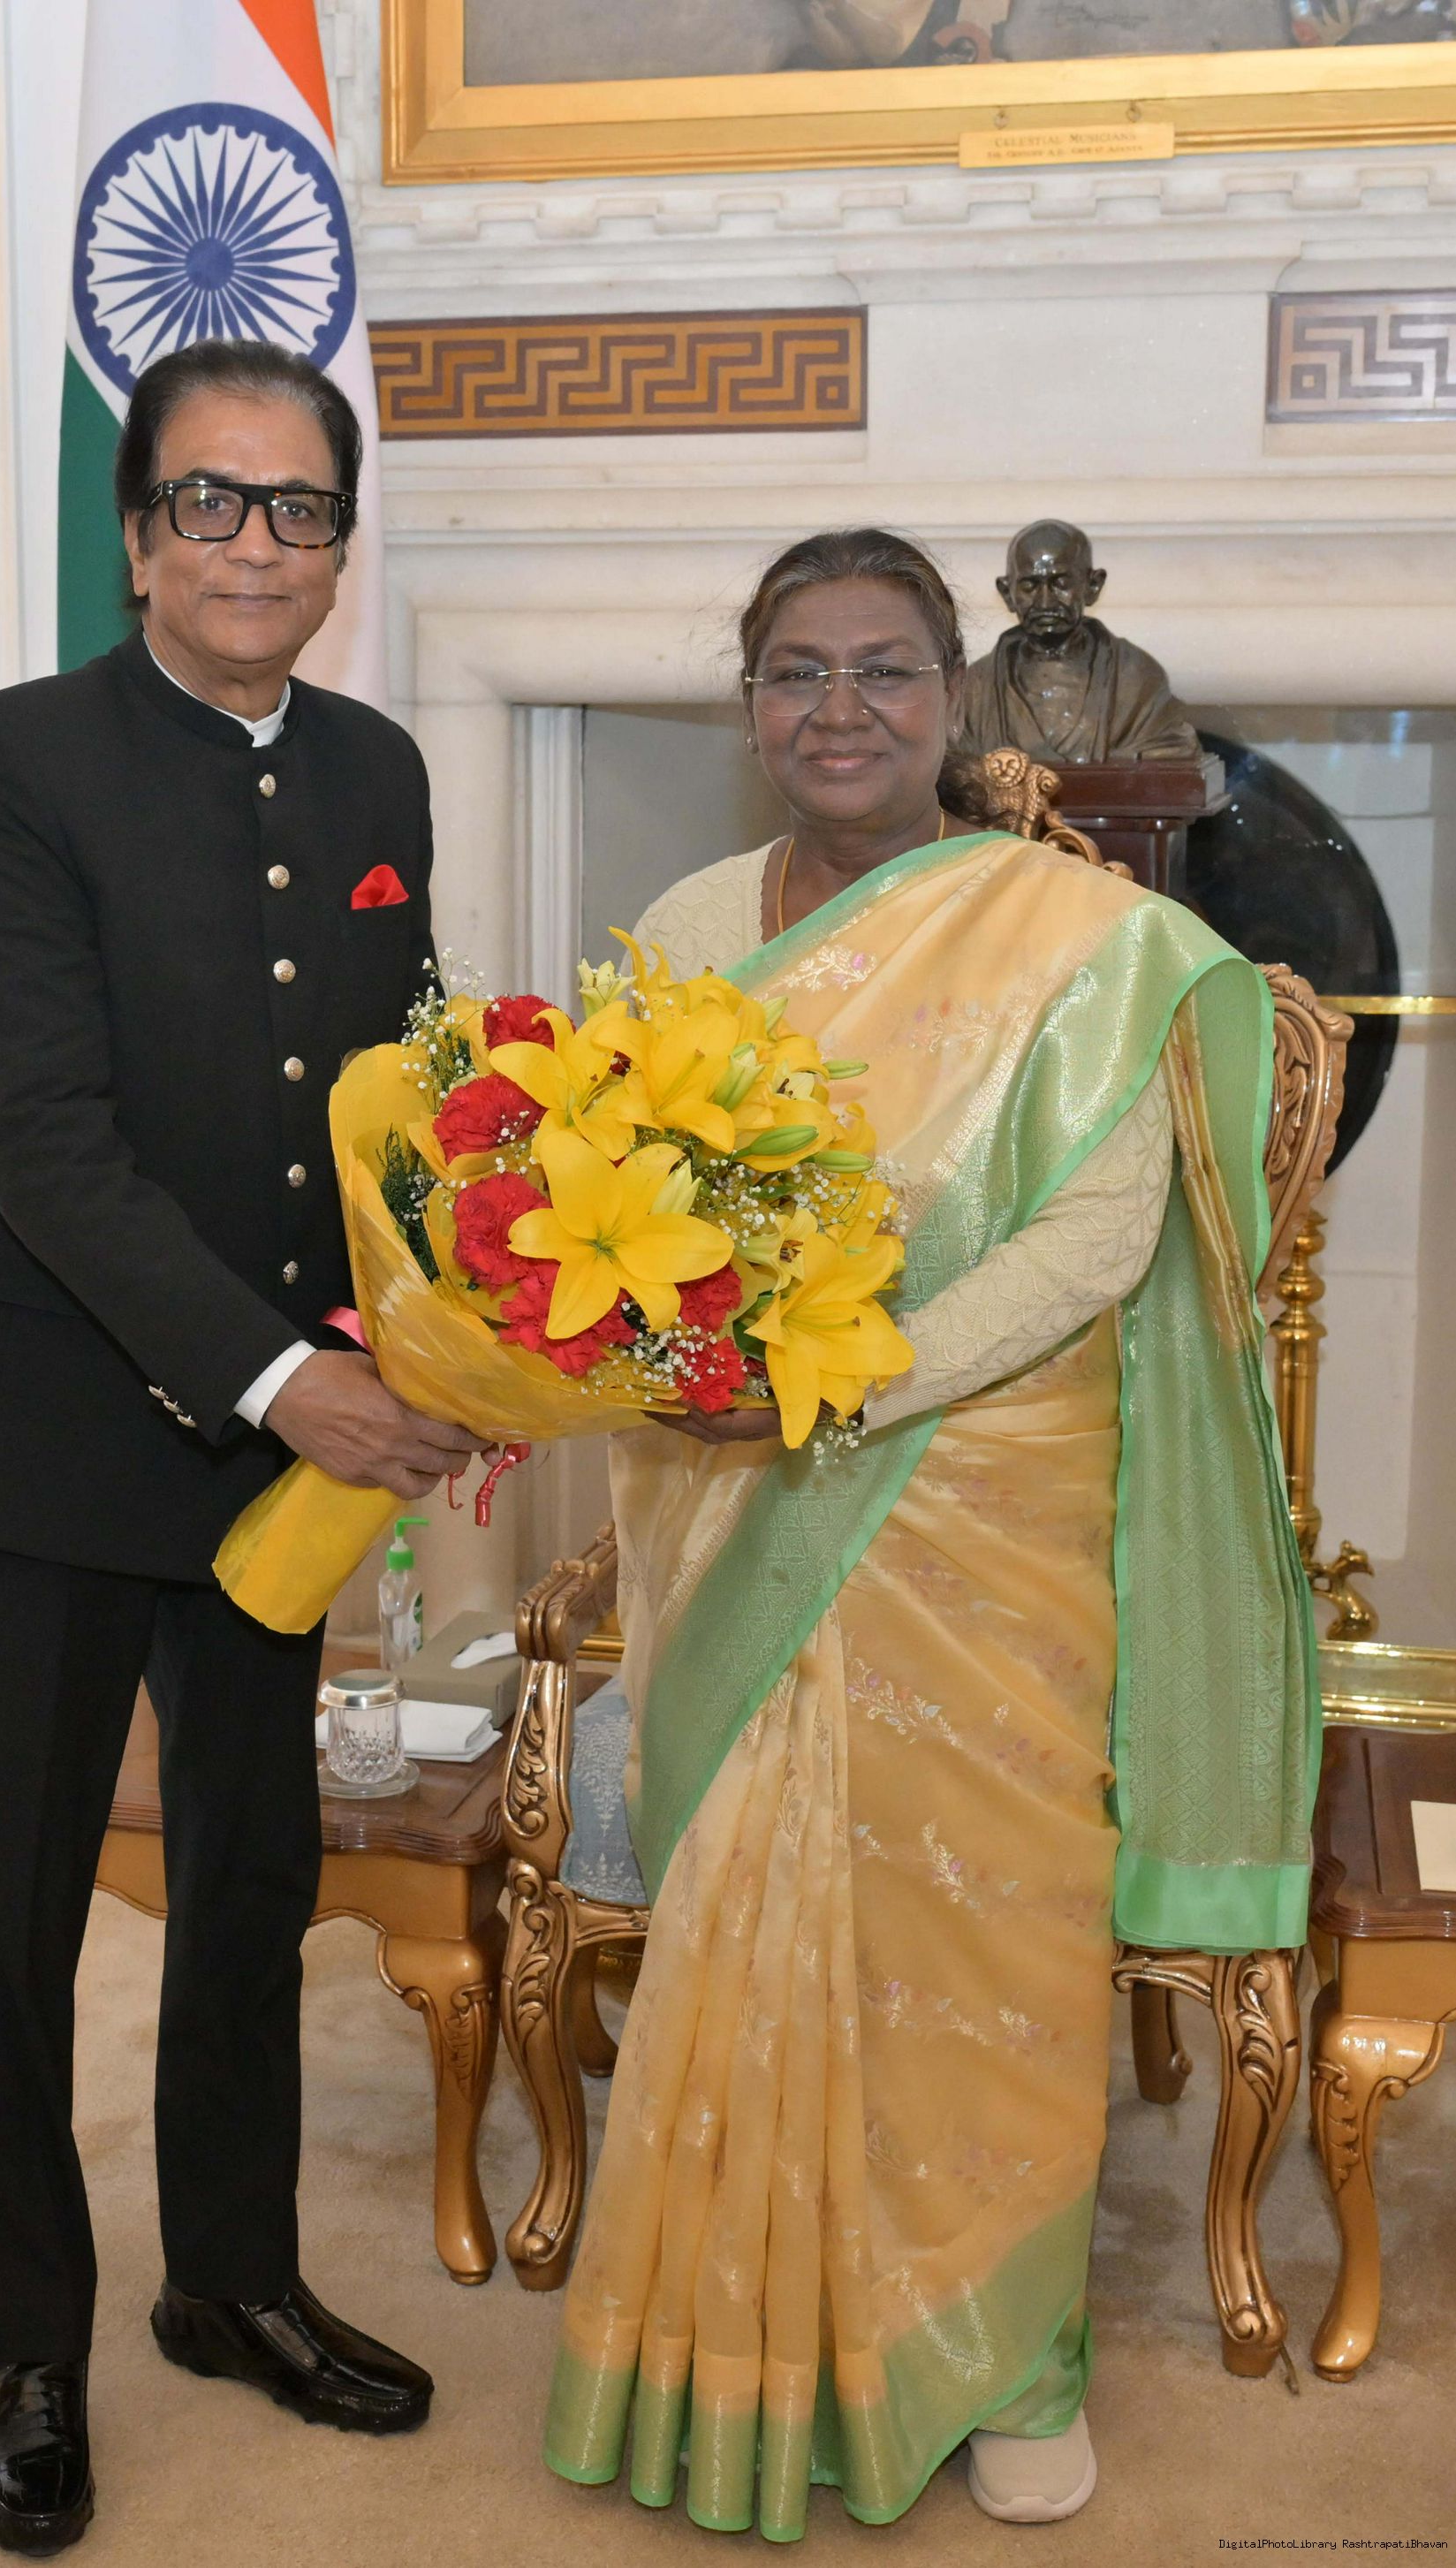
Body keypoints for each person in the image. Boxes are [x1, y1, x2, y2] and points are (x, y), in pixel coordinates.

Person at [542, 528, 1317, 2537]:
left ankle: (1007, 2357)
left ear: (951, 695)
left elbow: (1094, 1238)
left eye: (881, 668)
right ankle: (743, 2350)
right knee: (743, 1918)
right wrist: (655, 1366)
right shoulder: (686, 925)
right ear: (747, 703)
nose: (838, 709)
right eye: (794, 670)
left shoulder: (1076, 937)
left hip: (979, 1496)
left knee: (984, 1939)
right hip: (722, 1494)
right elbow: (609, 1198)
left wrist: (845, 1386)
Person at [0, 338, 489, 2557]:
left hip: (273, 1453)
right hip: (32, 1434)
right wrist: (289, 1376)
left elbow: (404, 1096)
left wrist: (472, 1329)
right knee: (5, 1904)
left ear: (337, 547)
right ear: (136, 538)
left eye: (295, 507)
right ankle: (23, 2337)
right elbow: (38, 1136)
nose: (253, 542)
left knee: (249, 1880)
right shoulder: (8, 759)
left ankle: (228, 2279)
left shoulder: (379, 766)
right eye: (208, 501)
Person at [959, 518, 1201, 765]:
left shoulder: (1136, 678)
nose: (1045, 602)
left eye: (1061, 584)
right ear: (1007, 593)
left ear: (1093, 586)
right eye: (1029, 586)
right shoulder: (976, 689)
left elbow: (1171, 750)